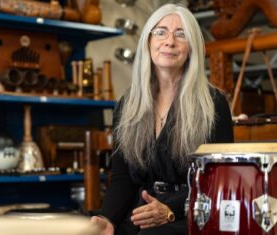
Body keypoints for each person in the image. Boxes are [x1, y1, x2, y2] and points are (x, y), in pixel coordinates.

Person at [91, 3, 234, 235]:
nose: (170, 41)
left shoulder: (213, 103)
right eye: (161, 32)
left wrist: (171, 209)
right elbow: (122, 177)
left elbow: (218, 180)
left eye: (181, 34)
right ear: (148, 41)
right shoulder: (128, 105)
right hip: (140, 213)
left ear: (192, 48)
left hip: (191, 213)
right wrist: (106, 218)